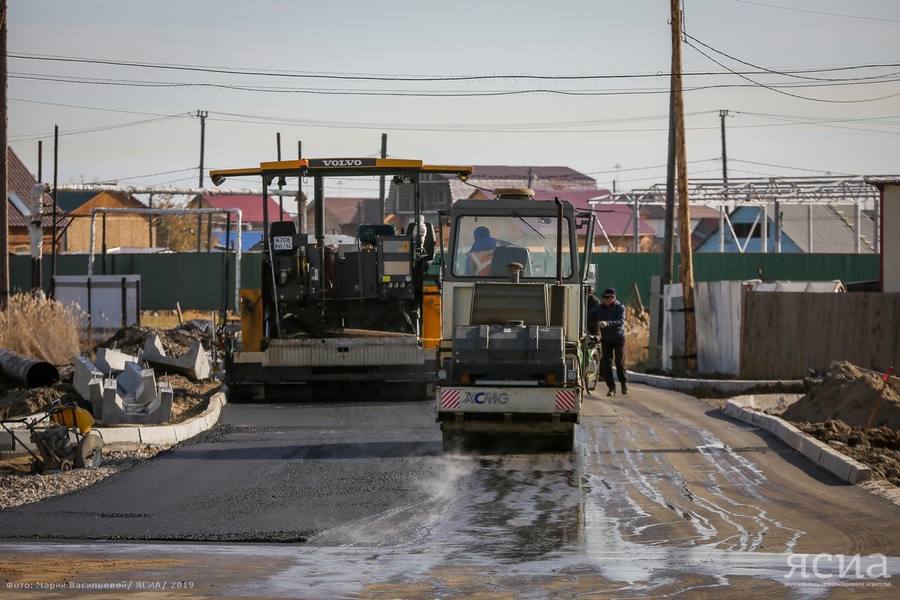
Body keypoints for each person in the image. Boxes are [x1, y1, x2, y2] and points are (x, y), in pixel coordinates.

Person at [588, 287, 628, 396]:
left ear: (613, 298)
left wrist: (607, 323)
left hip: (618, 338)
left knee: (619, 362)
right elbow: (589, 314)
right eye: (603, 297)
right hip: (606, 339)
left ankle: (623, 383)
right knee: (607, 364)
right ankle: (611, 388)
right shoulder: (600, 308)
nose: (604, 299)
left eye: (607, 297)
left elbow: (620, 321)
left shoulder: (620, 308)